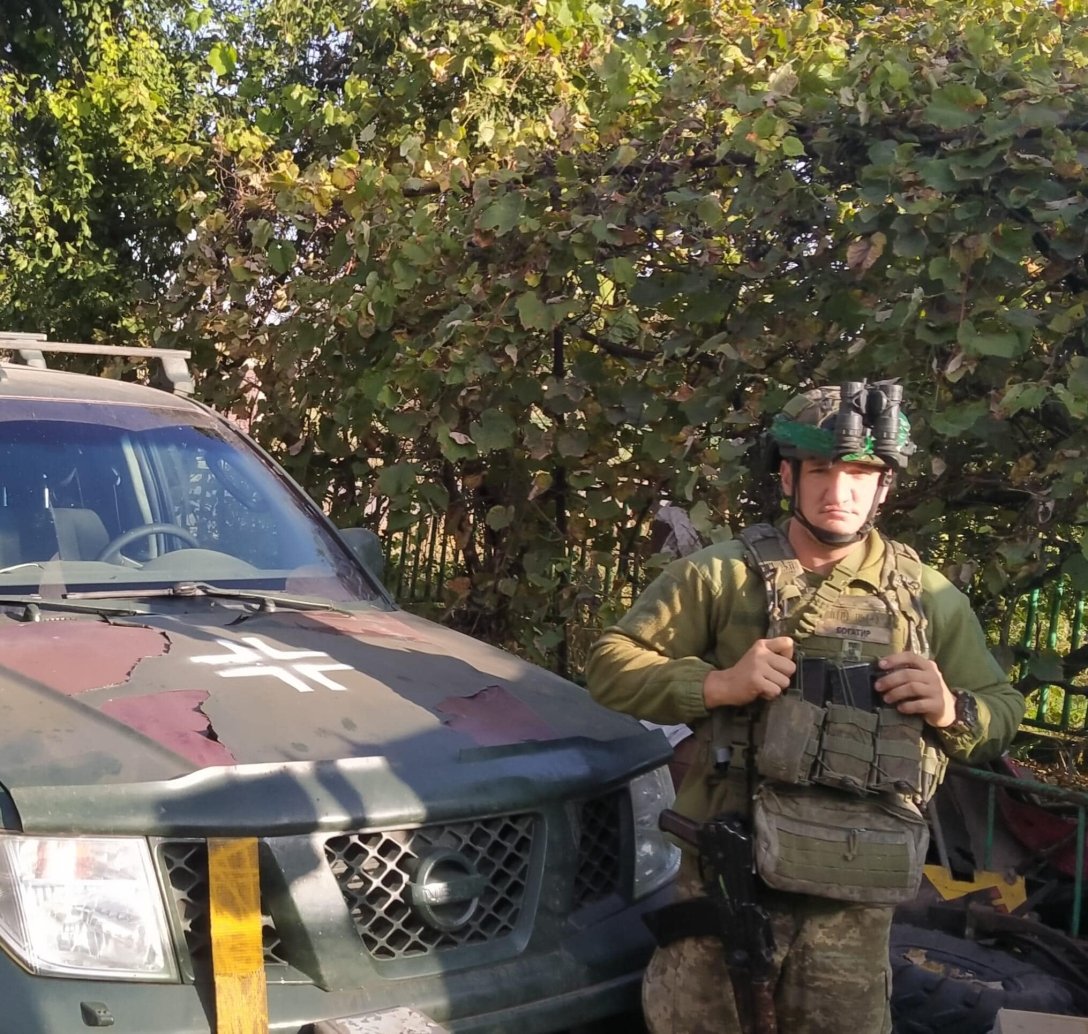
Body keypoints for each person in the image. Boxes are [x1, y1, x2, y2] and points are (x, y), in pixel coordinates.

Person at [585, 381, 1026, 1034]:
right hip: (731, 874)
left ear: (884, 487)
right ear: (788, 476)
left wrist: (949, 708)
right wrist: (716, 685)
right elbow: (610, 665)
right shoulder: (721, 576)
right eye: (820, 470)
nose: (838, 491)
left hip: (854, 892)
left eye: (860, 473)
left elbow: (1002, 709)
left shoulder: (927, 598)